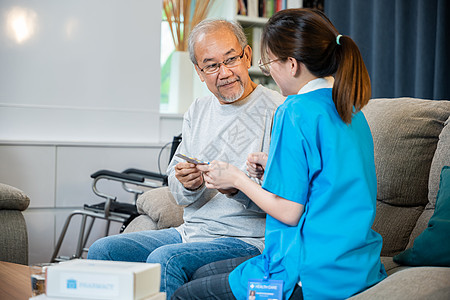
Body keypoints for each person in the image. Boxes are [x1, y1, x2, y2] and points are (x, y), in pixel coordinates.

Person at [172, 8, 387, 300]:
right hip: (358, 267)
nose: (268, 70)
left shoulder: (294, 110)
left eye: (269, 61)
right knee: (201, 273)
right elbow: (322, 185)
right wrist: (272, 169)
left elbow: (289, 211)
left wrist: (237, 178)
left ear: (292, 65)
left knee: (186, 294)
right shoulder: (350, 108)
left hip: (308, 273)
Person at [87, 19, 284, 298]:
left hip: (248, 239)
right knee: (103, 250)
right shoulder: (198, 110)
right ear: (199, 72)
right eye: (212, 66)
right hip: (190, 233)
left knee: (166, 259)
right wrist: (189, 184)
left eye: (231, 59)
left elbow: (286, 199)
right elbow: (178, 191)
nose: (225, 72)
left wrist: (237, 189)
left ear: (247, 55)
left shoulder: (279, 110)